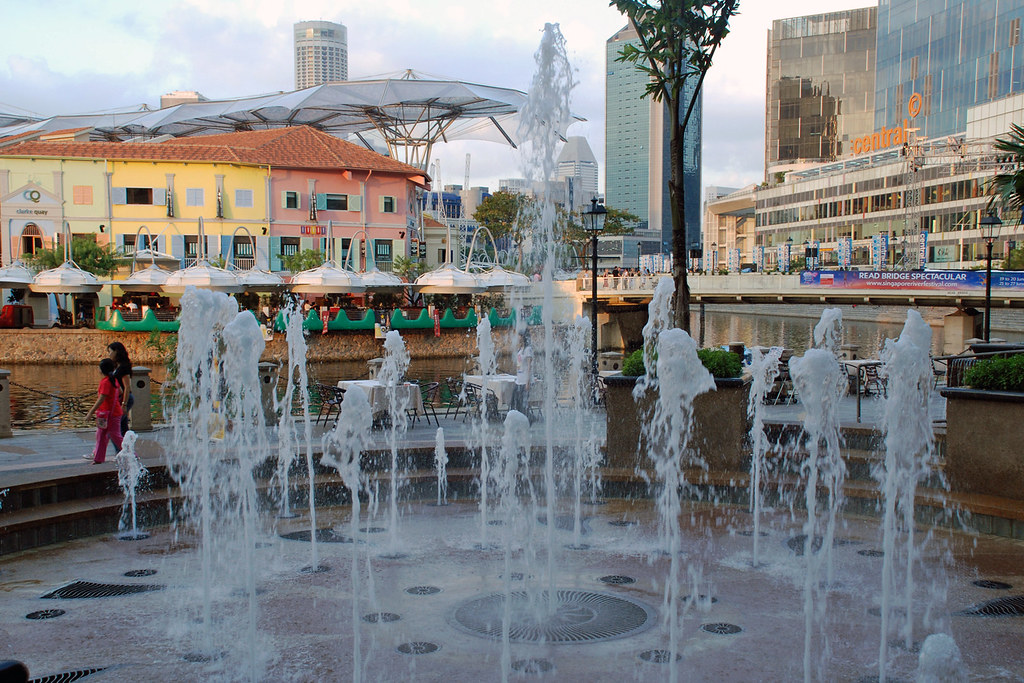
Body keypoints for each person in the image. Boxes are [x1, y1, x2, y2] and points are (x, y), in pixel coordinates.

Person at [84, 358, 124, 464]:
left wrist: (90, 412)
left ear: (102, 370)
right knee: (102, 435)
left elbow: (101, 399)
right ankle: (98, 458)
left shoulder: (105, 382)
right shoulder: (114, 380)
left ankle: (131, 454)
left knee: (113, 436)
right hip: (114, 413)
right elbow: (120, 392)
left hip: (106, 414)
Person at [107, 342, 133, 435]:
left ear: (116, 352)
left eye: (110, 351)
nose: (109, 354)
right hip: (119, 398)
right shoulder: (116, 366)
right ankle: (127, 446)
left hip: (125, 398)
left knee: (115, 426)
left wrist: (124, 404)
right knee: (123, 426)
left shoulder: (123, 367)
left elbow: (127, 386)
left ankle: (120, 448)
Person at [512, 332, 533, 415]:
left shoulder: (528, 350)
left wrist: (528, 382)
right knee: (516, 401)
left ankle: (529, 419)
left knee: (523, 403)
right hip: (519, 380)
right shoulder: (520, 349)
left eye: (520, 336)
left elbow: (529, 366)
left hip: (524, 380)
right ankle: (521, 419)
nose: (518, 338)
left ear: (523, 337)